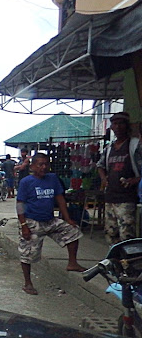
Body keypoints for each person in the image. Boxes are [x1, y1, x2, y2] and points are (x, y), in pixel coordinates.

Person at [16, 153, 84, 295]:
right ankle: (28, 283)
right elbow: (20, 205)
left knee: (73, 232)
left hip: (50, 220)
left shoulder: (52, 179)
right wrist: (24, 226)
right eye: (40, 164)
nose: (44, 167)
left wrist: (67, 219)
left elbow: (60, 200)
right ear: (33, 166)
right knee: (27, 254)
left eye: (46, 164)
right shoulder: (26, 182)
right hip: (32, 222)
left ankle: (72, 263)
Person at [97, 111, 142, 245]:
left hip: (127, 198)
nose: (117, 127)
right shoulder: (109, 147)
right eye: (114, 124)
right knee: (111, 234)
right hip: (110, 197)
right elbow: (100, 165)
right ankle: (115, 262)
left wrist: (135, 179)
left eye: (120, 124)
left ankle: (128, 264)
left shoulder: (135, 145)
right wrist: (104, 178)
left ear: (127, 126)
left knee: (126, 234)